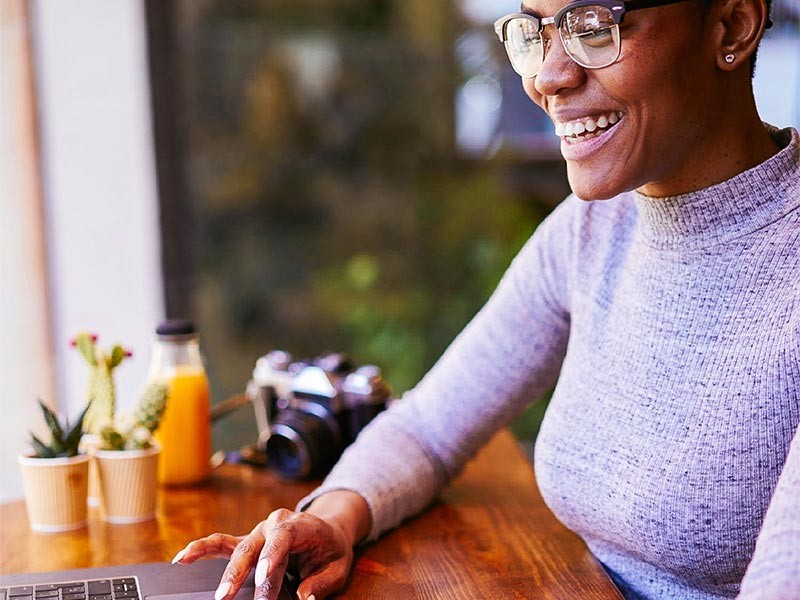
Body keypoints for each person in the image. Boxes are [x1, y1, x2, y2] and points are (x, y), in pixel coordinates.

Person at [172, 0, 799, 598]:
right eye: (537, 31)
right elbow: (429, 426)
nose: (549, 77)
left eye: (593, 25)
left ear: (731, 26)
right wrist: (335, 518)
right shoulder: (592, 230)